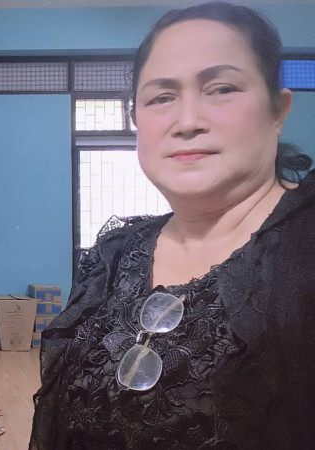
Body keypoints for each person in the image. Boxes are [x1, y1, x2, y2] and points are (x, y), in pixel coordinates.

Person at [29, 2, 315, 449]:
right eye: (162, 97)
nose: (187, 122)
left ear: (278, 109)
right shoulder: (114, 256)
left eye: (221, 89)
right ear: (137, 121)